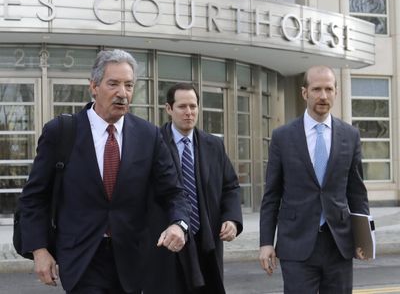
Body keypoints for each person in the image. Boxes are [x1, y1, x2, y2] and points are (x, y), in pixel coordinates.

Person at [18, 49, 191, 293]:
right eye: (114, 84)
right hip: (82, 258)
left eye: (129, 85)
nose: (123, 93)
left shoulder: (148, 136)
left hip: (132, 261)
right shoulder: (62, 132)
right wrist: (39, 249)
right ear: (94, 86)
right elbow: (34, 197)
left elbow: (174, 192)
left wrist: (179, 224)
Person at [259, 65, 370, 294]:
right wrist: (266, 242)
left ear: (336, 93)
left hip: (339, 244)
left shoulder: (350, 135)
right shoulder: (283, 137)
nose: (323, 96)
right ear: (304, 93)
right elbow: (272, 195)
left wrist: (364, 239)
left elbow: (357, 192)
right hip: (296, 244)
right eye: (317, 89)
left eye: (329, 89)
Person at [143, 83, 243, 294]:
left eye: (193, 106)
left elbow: (230, 186)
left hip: (207, 242)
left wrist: (232, 219)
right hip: (168, 243)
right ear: (168, 109)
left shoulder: (213, 145)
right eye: (182, 107)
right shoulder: (152, 143)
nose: (189, 112)